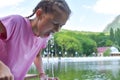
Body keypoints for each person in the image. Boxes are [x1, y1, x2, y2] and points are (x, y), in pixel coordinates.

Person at [0, 0, 71, 80]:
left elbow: (37, 55)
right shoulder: (15, 23)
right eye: (55, 23)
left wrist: (42, 75)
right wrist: (1, 67)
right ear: (39, 14)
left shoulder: (43, 37)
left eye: (61, 26)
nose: (57, 30)